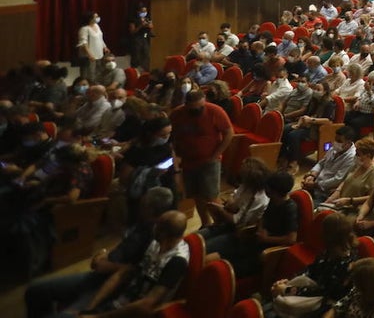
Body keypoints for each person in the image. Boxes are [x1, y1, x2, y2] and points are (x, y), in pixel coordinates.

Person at [24, 186, 175, 318]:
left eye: (143, 204)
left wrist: (104, 265)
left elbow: (133, 272)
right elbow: (123, 245)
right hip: (97, 275)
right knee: (35, 291)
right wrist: (104, 253)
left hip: (112, 288)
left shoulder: (158, 239)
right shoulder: (142, 222)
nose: (139, 205)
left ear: (152, 210)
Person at [72, 211, 190, 318]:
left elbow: (146, 305)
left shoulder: (177, 261)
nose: (154, 228)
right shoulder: (154, 243)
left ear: (164, 234)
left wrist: (98, 317)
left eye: (158, 226)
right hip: (119, 303)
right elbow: (122, 273)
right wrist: (90, 310)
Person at [267, 212, 355, 318]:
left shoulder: (346, 265)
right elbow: (310, 270)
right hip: (314, 287)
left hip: (326, 301)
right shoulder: (329, 251)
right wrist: (287, 282)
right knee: (299, 280)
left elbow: (321, 292)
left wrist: (287, 290)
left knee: (287, 303)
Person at [169, 89, 233, 226]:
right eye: (194, 109)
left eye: (201, 107)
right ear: (186, 105)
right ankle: (205, 223)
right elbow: (171, 136)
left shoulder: (215, 111)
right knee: (196, 195)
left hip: (209, 160)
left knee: (211, 196)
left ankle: (220, 223)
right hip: (188, 161)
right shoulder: (177, 114)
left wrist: (216, 155)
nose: (198, 111)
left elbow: (229, 133)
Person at [301, 125, 358, 203]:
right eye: (335, 139)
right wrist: (312, 175)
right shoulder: (334, 149)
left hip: (326, 193)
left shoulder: (351, 157)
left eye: (339, 141)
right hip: (315, 185)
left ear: (348, 143)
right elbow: (321, 163)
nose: (336, 142)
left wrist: (316, 184)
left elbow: (338, 179)